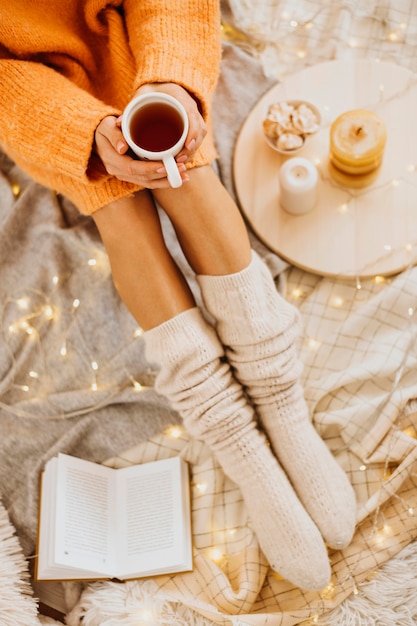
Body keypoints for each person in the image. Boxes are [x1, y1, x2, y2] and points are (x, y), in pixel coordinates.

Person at [0, 0, 356, 590]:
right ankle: (233, 434)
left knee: (186, 167)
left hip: (144, 44)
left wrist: (173, 81)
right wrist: (82, 132)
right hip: (38, 96)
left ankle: (278, 397)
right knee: (119, 206)